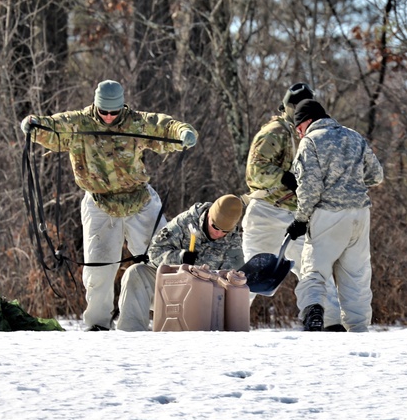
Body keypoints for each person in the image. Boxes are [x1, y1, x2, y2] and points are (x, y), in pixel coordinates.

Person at [19, 80, 198, 331]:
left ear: (122, 107)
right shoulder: (79, 122)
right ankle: (98, 326)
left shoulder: (136, 122)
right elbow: (51, 127)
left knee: (162, 261)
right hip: (99, 203)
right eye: (104, 112)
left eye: (115, 112)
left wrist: (184, 133)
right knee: (99, 270)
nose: (110, 117)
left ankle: (171, 318)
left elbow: (165, 127)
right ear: (96, 105)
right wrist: (32, 125)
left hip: (140, 201)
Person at [242, 83, 344, 330]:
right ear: (287, 108)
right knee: (248, 277)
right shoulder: (275, 131)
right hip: (267, 211)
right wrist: (284, 177)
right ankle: (223, 322)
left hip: (297, 215)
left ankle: (330, 323)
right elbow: (254, 172)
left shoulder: (315, 134)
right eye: (296, 107)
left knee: (313, 269)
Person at [285, 99, 384, 332]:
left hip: (328, 215)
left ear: (307, 121)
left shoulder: (311, 142)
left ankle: (314, 315)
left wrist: (300, 219)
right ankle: (358, 330)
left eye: (298, 128)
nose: (299, 133)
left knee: (313, 271)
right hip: (360, 214)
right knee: (356, 277)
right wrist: (352, 184)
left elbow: (309, 188)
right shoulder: (354, 136)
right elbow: (376, 175)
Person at [115, 194, 245, 332]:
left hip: (204, 298)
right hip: (171, 287)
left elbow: (232, 279)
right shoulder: (184, 223)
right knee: (136, 272)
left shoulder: (233, 240)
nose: (219, 234)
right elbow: (154, 252)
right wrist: (180, 258)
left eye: (225, 231)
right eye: (215, 227)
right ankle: (131, 334)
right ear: (209, 216)